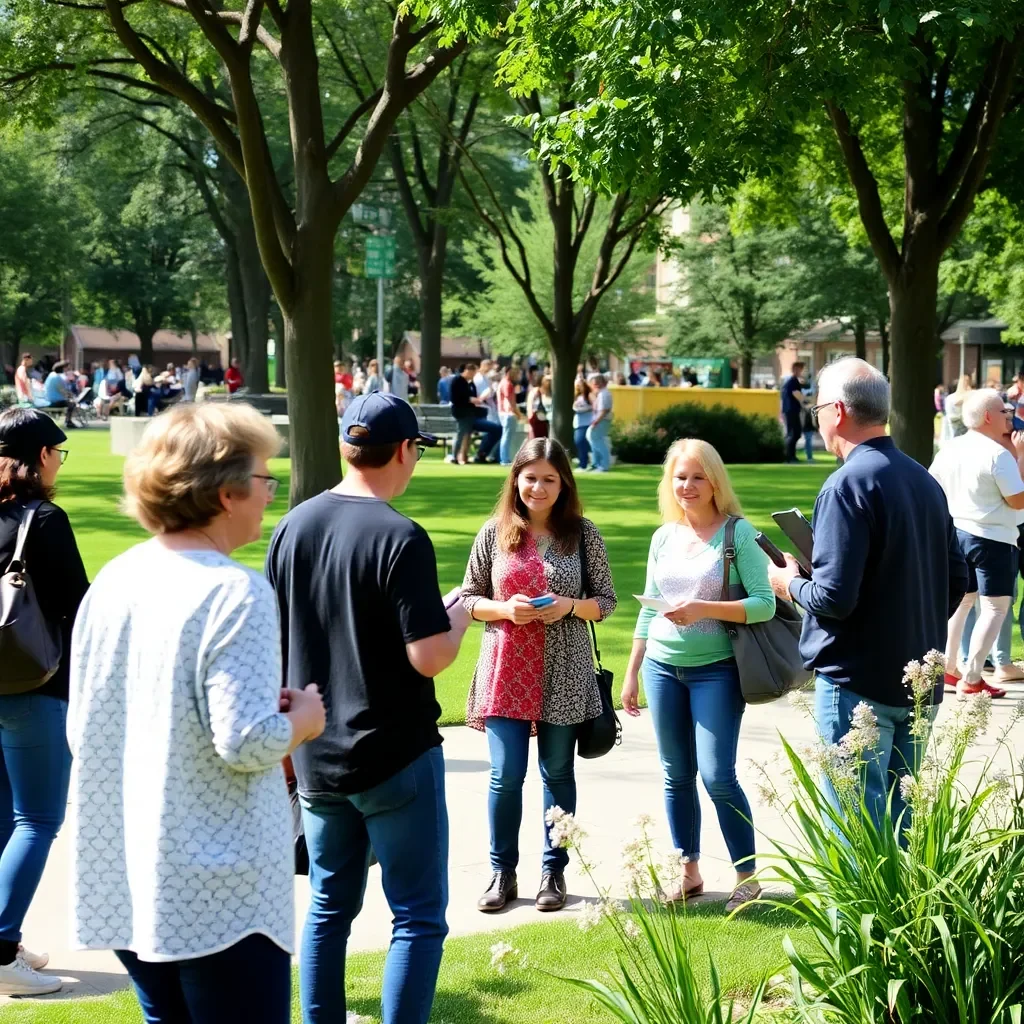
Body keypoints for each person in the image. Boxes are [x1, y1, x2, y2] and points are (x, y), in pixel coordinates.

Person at [68, 403, 325, 1023]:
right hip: (218, 886)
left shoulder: (115, 579)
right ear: (226, 491)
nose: (269, 496)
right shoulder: (234, 590)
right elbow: (245, 742)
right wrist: (303, 721)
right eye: (264, 480)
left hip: (129, 865)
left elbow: (85, 721)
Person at [266, 392, 471, 1024]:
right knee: (415, 914)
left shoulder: (292, 525)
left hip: (317, 750)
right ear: (406, 451)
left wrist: (286, 751)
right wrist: (456, 614)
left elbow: (276, 643)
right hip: (395, 752)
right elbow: (430, 656)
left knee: (329, 906)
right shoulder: (401, 535)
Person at [767, 357, 968, 830]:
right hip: (919, 676)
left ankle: (858, 912)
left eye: (816, 407)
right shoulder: (923, 479)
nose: (814, 417)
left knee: (856, 830)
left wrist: (788, 583)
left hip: (856, 680)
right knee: (903, 830)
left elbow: (835, 598)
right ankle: (901, 910)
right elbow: (958, 578)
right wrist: (908, 620)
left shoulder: (846, 485)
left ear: (837, 411)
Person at [461, 439, 616, 913]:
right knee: (505, 775)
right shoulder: (495, 532)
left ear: (564, 483)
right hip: (506, 667)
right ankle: (501, 873)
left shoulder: (582, 534)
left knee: (557, 772)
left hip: (564, 669)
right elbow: (467, 598)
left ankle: (554, 871)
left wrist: (569, 606)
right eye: (531, 477)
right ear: (516, 480)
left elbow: (605, 602)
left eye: (550, 478)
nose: (539, 487)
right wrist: (505, 608)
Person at [622, 438, 772, 911]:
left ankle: (747, 875)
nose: (687, 486)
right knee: (675, 775)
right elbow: (648, 611)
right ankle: (688, 871)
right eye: (679, 477)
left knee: (717, 775)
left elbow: (764, 604)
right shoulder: (663, 537)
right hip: (662, 670)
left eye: (697, 477)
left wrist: (703, 608)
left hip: (717, 671)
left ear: (715, 481)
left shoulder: (738, 534)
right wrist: (632, 672)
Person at [0, 410, 87, 996]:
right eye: (57, 451)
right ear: (37, 457)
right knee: (38, 819)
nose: (59, 461)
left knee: (5, 816)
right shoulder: (45, 520)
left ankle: (7, 938)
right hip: (34, 684)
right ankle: (3, 952)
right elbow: (82, 608)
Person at [929, 389, 1024, 699]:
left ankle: (950, 667)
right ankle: (972, 677)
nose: (1009, 417)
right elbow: (1017, 500)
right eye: (1003, 412)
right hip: (993, 538)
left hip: (957, 534)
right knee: (996, 607)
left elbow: (934, 490)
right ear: (987, 417)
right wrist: (1020, 458)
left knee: (963, 601)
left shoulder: (949, 449)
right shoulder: (998, 454)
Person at [450, 364, 500, 465]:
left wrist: (476, 399)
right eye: (472, 372)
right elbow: (456, 398)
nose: (474, 375)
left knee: (468, 435)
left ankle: (475, 454)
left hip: (472, 414)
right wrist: (469, 400)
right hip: (462, 413)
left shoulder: (469, 383)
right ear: (467, 371)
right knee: (462, 434)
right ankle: (455, 456)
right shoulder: (457, 381)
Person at [497, 365, 523, 466]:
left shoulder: (502, 383)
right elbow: (511, 402)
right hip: (508, 413)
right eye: (516, 373)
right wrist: (519, 414)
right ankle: (504, 459)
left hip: (503, 413)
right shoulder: (508, 384)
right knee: (507, 436)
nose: (517, 376)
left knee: (505, 436)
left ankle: (503, 458)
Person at [780, 361, 806, 464]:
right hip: (791, 411)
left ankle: (791, 456)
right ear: (796, 369)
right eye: (801, 369)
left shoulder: (792, 381)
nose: (802, 371)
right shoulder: (793, 381)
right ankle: (789, 457)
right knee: (793, 433)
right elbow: (797, 394)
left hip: (790, 410)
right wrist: (806, 402)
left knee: (795, 433)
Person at [587, 375, 613, 473]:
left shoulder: (604, 394)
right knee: (596, 441)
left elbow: (604, 410)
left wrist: (595, 422)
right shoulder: (601, 393)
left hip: (601, 420)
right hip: (600, 420)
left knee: (598, 442)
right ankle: (597, 464)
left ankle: (604, 465)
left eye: (596, 382)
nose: (594, 385)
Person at [43, 361, 75, 428]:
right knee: (72, 404)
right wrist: (71, 395)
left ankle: (67, 421)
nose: (66, 370)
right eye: (66, 368)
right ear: (62, 368)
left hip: (49, 399)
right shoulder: (56, 377)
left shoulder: (51, 375)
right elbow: (62, 391)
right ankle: (68, 421)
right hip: (54, 401)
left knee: (68, 402)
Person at [573, 379, 593, 471]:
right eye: (577, 385)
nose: (578, 387)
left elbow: (594, 406)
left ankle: (584, 464)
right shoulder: (577, 396)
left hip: (586, 422)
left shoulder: (589, 395)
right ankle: (583, 462)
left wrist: (585, 409)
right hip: (578, 423)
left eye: (579, 385)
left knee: (581, 441)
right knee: (579, 442)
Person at [526, 374, 551, 439]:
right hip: (537, 422)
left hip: (541, 422)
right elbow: (532, 408)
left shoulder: (537, 392)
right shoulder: (536, 392)